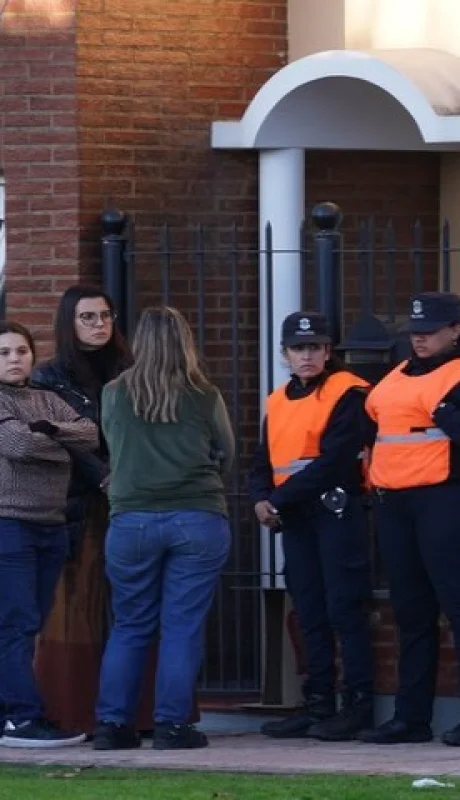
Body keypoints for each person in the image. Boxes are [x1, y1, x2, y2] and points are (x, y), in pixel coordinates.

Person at [93, 306, 234, 751]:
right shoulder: (203, 394)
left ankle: (113, 726)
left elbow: (113, 448)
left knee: (130, 625)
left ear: (140, 342)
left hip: (131, 520)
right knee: (182, 626)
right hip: (197, 516)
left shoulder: (114, 393)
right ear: (184, 341)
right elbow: (226, 452)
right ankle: (172, 726)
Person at [248, 311, 374, 742]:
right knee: (309, 612)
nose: (307, 355)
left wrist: (276, 499)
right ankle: (319, 702)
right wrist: (260, 497)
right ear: (285, 354)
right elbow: (263, 460)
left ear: (328, 351)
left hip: (334, 510)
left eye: (315, 347)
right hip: (297, 517)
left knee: (345, 609)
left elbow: (335, 460)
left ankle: (358, 705)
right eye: (298, 348)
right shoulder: (278, 400)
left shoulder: (348, 392)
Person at [357, 291, 460, 745]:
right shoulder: (396, 373)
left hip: (444, 499)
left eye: (429, 332)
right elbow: (375, 422)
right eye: (415, 332)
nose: (419, 340)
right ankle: (410, 717)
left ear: (455, 330)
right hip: (394, 503)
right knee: (411, 614)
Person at [30, 285, 132, 735]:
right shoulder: (49, 378)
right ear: (69, 323)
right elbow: (61, 440)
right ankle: (72, 713)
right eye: (88, 317)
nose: (99, 325)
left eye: (105, 316)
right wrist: (103, 477)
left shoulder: (129, 371)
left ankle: (129, 713)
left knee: (130, 608)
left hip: (130, 501)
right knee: (74, 608)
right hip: (76, 505)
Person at [0, 321, 98, 748]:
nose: (14, 359)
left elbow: (91, 435)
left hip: (51, 525)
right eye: (3, 352)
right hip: (9, 526)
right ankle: (22, 718)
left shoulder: (49, 398)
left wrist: (51, 431)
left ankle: (11, 712)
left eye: (21, 351)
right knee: (17, 624)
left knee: (27, 623)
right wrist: (58, 441)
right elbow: (17, 444)